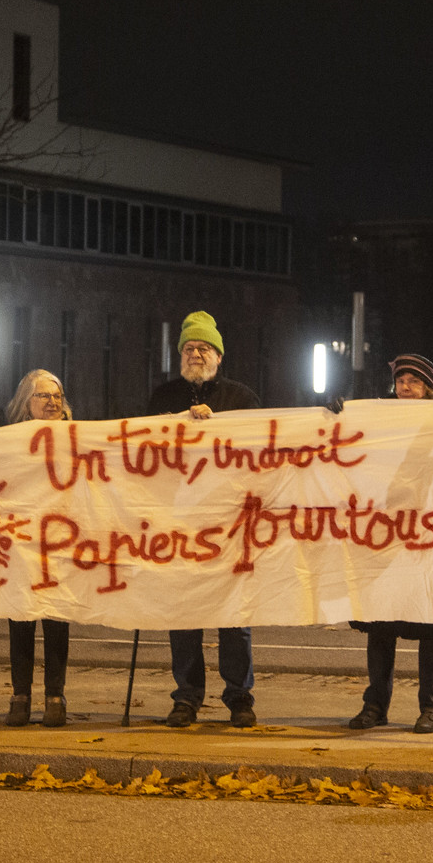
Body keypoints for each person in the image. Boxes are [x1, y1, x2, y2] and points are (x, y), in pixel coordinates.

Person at [147, 310, 261, 727]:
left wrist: (218, 429)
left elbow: (260, 450)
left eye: (204, 348)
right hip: (179, 523)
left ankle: (239, 696)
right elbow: (145, 451)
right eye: (189, 348)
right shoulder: (163, 399)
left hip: (229, 524)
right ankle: (187, 696)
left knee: (233, 614)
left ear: (219, 356)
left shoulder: (241, 400)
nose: (195, 354)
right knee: (184, 613)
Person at [347, 354, 433, 734]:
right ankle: (375, 705)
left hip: (430, 534)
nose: (405, 387)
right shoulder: (380, 421)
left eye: (414, 381)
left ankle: (432, 708)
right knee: (381, 624)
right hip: (387, 533)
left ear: (429, 388)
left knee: (431, 625)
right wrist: (337, 418)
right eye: (401, 381)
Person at [3, 369, 74, 727]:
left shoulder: (77, 439)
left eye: (56, 395)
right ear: (25, 402)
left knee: (57, 622)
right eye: (43, 395)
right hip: (22, 544)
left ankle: (54, 696)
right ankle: (21, 696)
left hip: (62, 543)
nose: (51, 402)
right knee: (21, 621)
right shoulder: (9, 442)